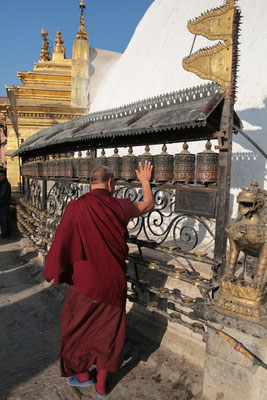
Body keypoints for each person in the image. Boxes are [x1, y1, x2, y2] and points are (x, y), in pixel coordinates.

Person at [44, 161, 154, 398]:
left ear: (90, 184)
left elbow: (62, 240)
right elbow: (147, 205)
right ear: (111, 183)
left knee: (76, 329)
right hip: (112, 282)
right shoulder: (118, 206)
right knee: (109, 333)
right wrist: (145, 181)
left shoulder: (76, 207)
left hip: (83, 283)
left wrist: (53, 269)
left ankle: (83, 377)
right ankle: (102, 386)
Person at [0, 169, 11, 240]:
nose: (0, 177)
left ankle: (5, 236)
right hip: (2, 205)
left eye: (1, 176)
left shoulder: (5, 183)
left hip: (3, 205)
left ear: (5, 176)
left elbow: (2, 194)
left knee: (3, 221)